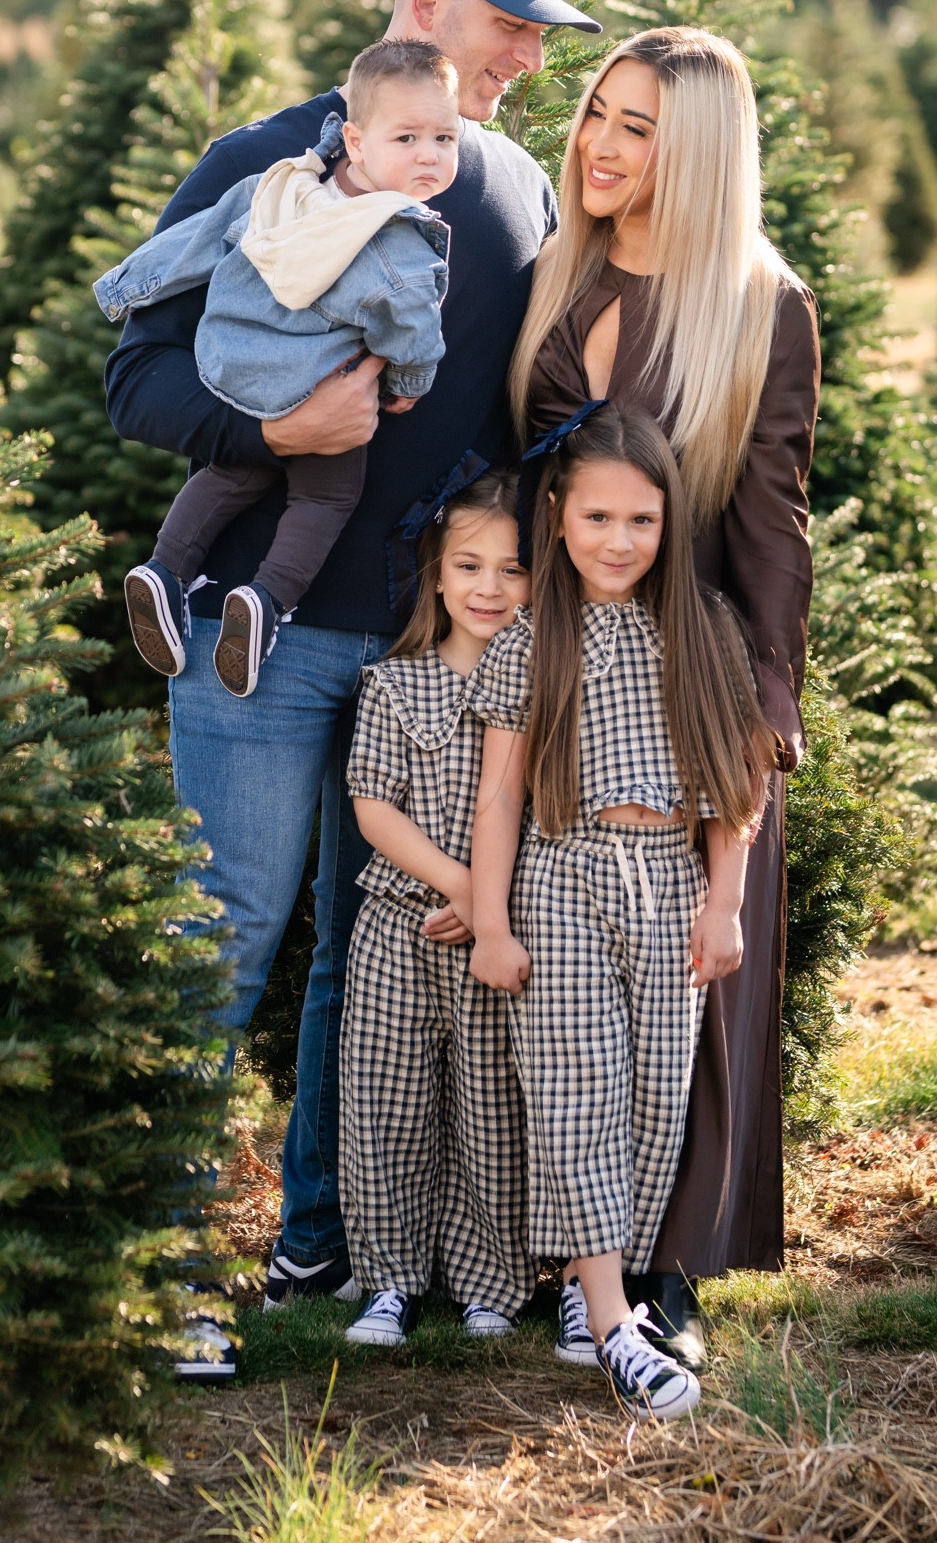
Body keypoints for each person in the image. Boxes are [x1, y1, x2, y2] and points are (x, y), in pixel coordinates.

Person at [103, 0, 600, 1355]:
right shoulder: (262, 161)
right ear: (427, 0)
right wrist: (266, 420)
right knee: (227, 932)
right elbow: (132, 378)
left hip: (426, 662)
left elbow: (530, 406)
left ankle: (315, 1246)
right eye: (510, 25)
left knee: (365, 949)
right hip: (265, 638)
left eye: (535, 35)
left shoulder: (512, 189)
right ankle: (166, 1268)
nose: (524, 58)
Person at [505, 25, 821, 1364]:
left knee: (684, 978)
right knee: (556, 975)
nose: (598, 143)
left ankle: (666, 1269)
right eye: (596, 114)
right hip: (545, 665)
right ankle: (553, 1257)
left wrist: (763, 705)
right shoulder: (556, 277)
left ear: (691, 152)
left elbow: (772, 521)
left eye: (636, 126)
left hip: (682, 674)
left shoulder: (760, 305)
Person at [466, 403, 776, 1420]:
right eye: (597, 517)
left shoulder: (703, 628)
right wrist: (492, 917)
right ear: (557, 517)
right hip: (562, 878)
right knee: (576, 1084)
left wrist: (724, 902)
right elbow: (501, 794)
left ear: (668, 523)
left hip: (668, 884)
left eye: (641, 520)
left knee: (648, 1099)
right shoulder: (530, 638)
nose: (617, 540)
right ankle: (614, 1325)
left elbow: (738, 781)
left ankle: (581, 1280)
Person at [97, 41, 458, 698]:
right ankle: (264, 603)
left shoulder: (291, 183)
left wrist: (123, 286)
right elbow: (412, 328)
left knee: (234, 470)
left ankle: (165, 568)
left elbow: (197, 238)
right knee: (325, 494)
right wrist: (407, 384)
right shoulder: (396, 234)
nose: (429, 155)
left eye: (445, 138)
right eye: (408, 137)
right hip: (313, 387)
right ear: (358, 138)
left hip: (234, 364)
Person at [339, 470, 534, 1347]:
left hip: (498, 938)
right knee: (388, 1102)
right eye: (470, 566)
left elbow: (545, 814)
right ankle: (390, 1280)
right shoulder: (394, 684)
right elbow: (372, 805)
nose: (489, 589)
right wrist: (463, 887)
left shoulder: (542, 688)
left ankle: (490, 1280)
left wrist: (492, 908)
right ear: (438, 576)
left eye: (512, 570)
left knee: (492, 1110)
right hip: (400, 925)